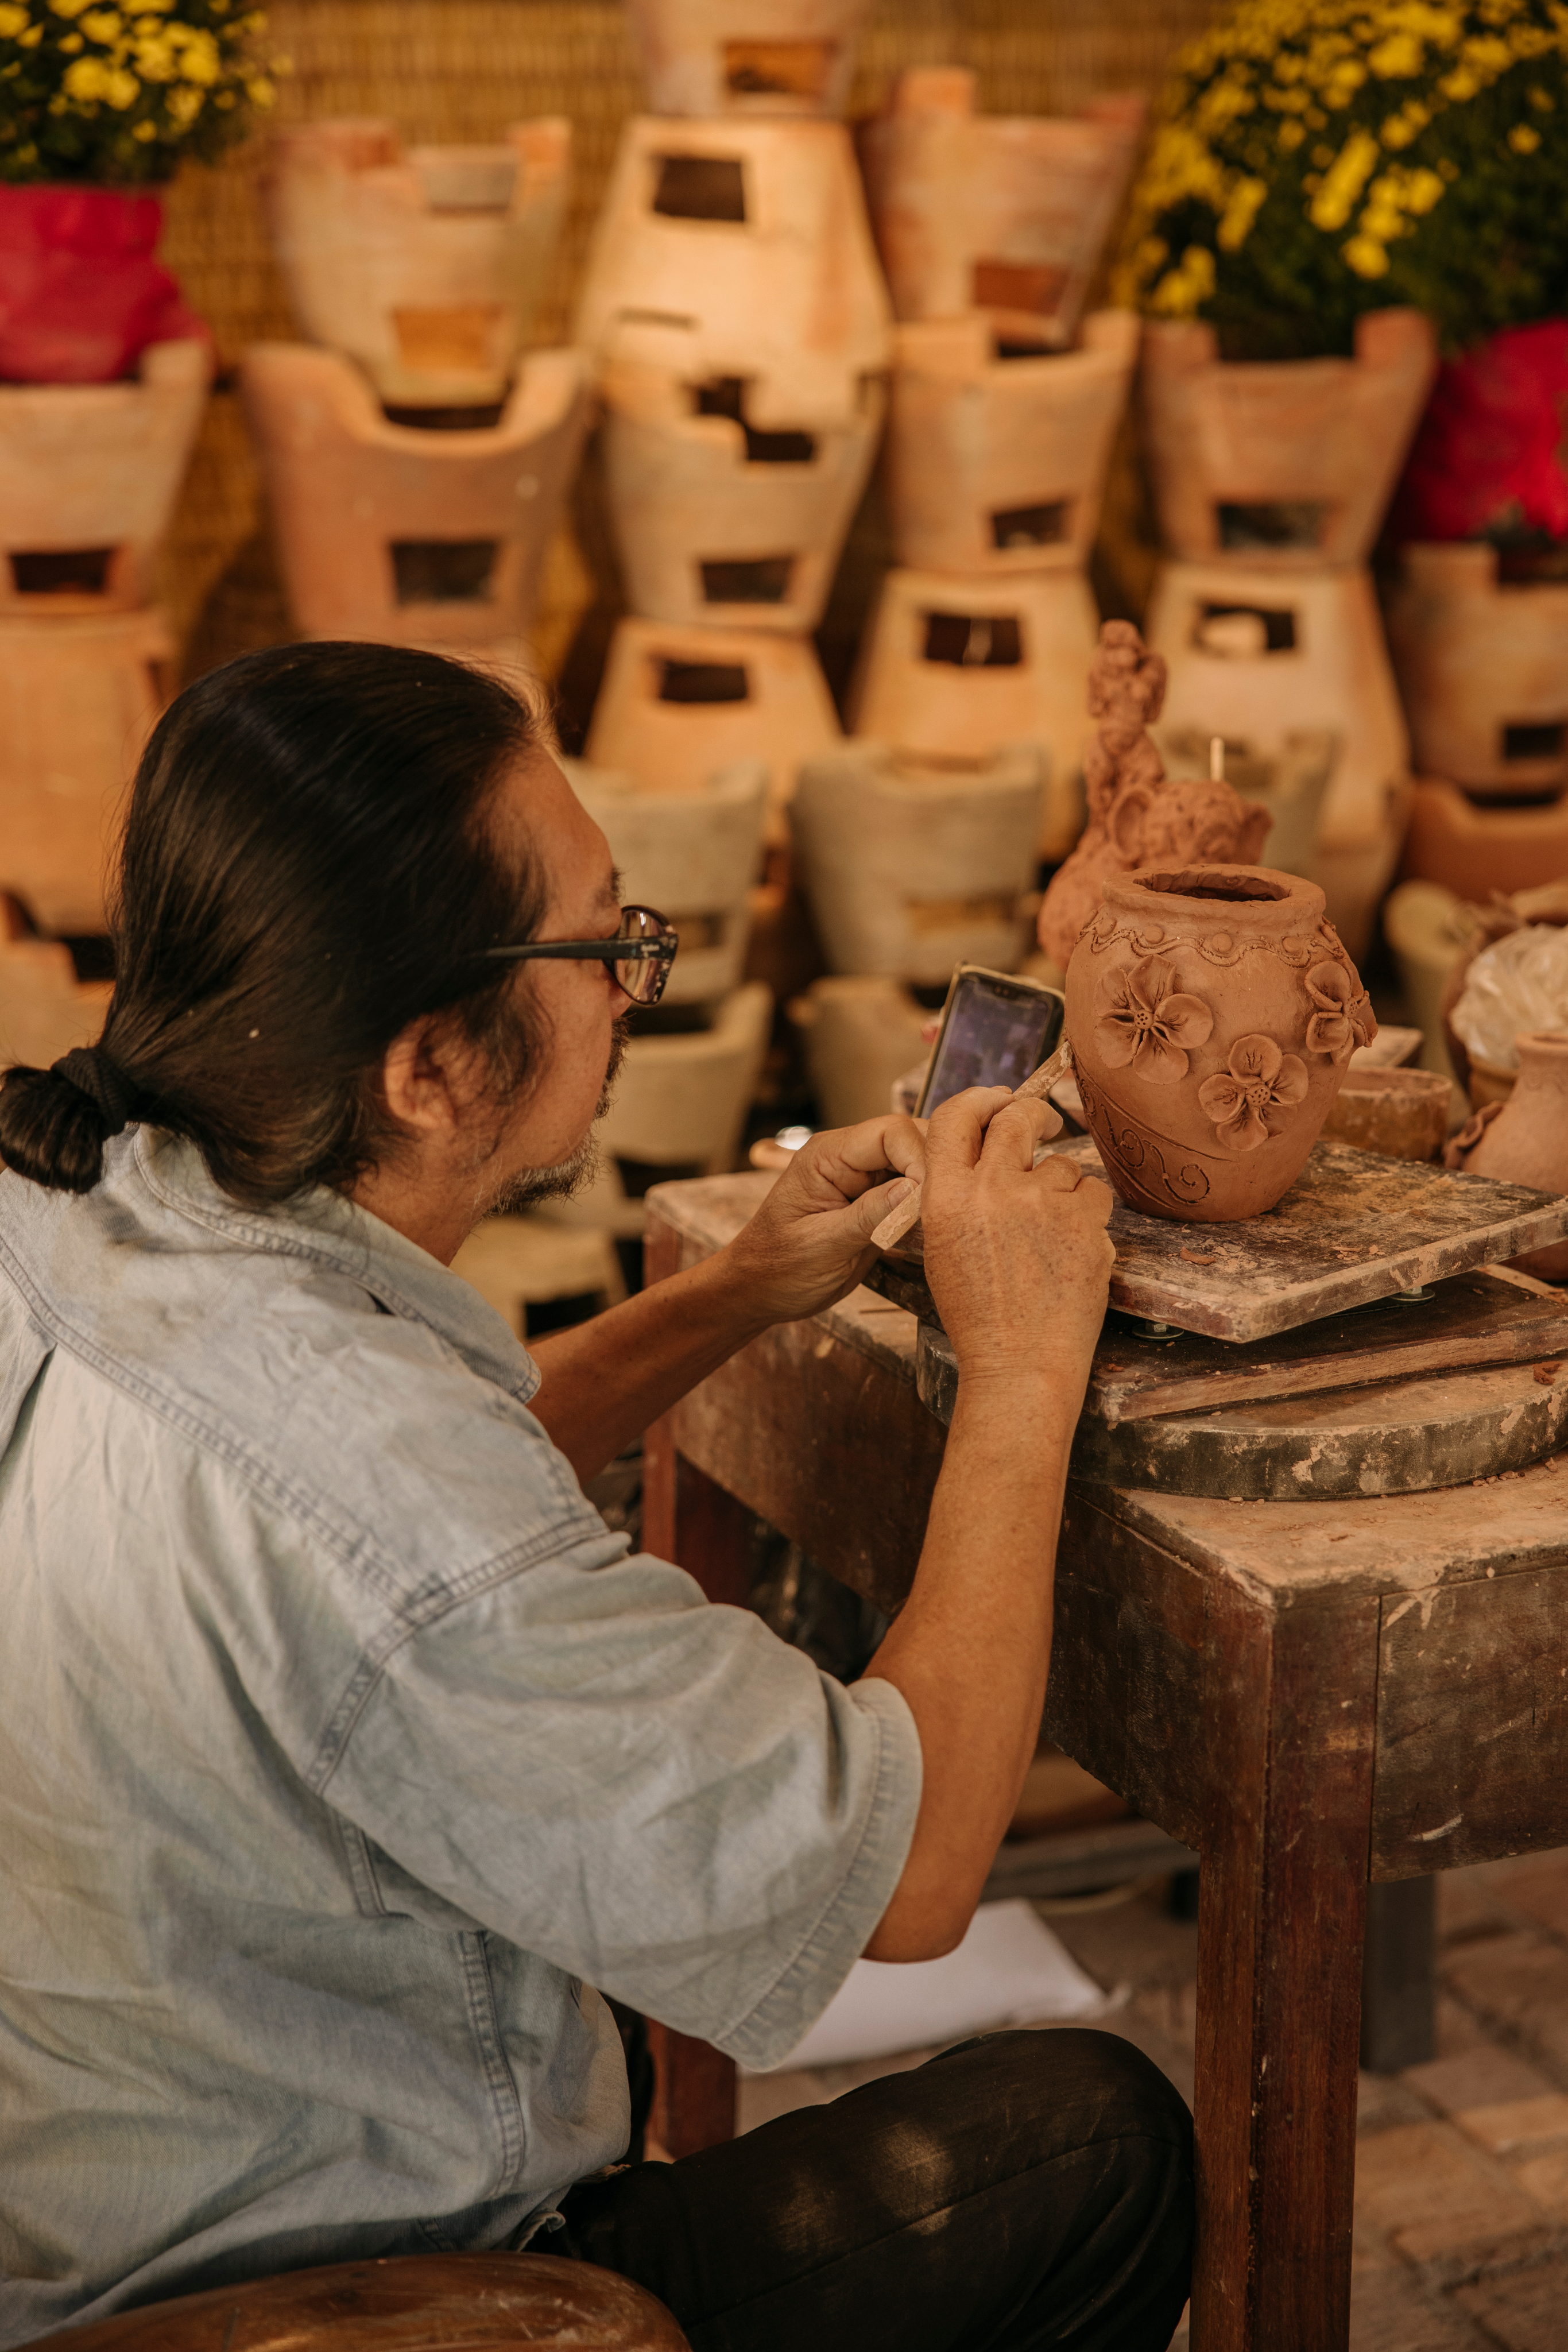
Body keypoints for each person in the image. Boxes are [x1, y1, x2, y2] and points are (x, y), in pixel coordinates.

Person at [0, 644, 1193, 2351]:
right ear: (427, 1067)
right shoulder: (392, 1498)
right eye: (604, 945)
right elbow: (914, 1869)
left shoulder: (82, 1195)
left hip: (88, 2201)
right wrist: (1022, 1363)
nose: (636, 986)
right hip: (335, 2300)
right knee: (1099, 2147)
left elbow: (376, 1534)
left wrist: (730, 1295)